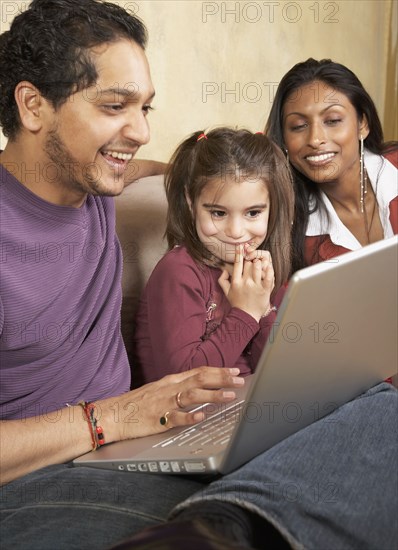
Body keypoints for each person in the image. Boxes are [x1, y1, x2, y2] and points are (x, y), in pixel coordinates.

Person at [0, 3, 396, 550]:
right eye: (115, 106)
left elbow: (141, 165)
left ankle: (235, 518)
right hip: (43, 479)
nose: (138, 131)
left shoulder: (86, 182)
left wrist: (189, 173)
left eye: (145, 108)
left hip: (150, 447)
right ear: (32, 105)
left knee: (378, 405)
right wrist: (106, 419)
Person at [132, 128, 294, 386]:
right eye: (218, 213)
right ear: (190, 202)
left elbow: (278, 374)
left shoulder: (261, 270)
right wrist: (246, 313)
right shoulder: (179, 271)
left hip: (250, 407)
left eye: (252, 213)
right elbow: (185, 380)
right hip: (189, 417)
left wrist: (263, 309)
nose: (236, 232)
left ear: (271, 210)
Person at [265, 58, 398, 273]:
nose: (315, 139)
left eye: (333, 120)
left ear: (362, 124)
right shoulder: (284, 228)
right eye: (298, 126)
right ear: (283, 140)